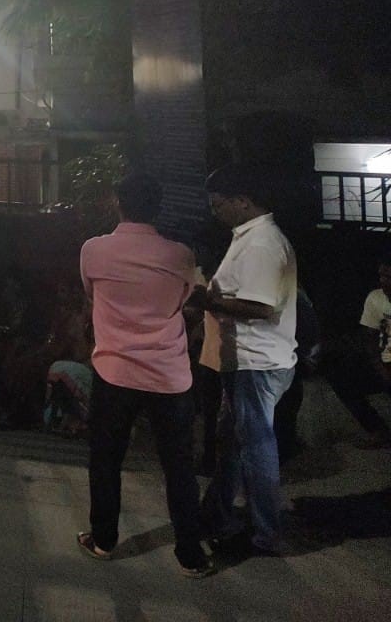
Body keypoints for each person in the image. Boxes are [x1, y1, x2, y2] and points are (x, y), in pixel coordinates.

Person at [73, 174, 213, 577]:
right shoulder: (180, 256)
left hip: (114, 371)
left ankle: (104, 539)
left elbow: (91, 294)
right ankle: (190, 554)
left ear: (118, 201)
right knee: (179, 466)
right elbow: (188, 298)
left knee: (105, 460)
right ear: (159, 206)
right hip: (169, 376)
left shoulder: (94, 251)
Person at [194, 164, 299, 557]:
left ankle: (264, 533)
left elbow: (258, 305)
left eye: (220, 205)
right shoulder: (251, 238)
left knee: (256, 449)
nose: (215, 212)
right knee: (235, 445)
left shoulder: (262, 244)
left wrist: (210, 300)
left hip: (258, 362)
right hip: (247, 361)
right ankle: (216, 514)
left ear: (243, 201)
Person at [323, 253, 391, 449]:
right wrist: (381, 368)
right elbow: (370, 340)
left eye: (389, 277)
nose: (384, 282)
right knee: (340, 374)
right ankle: (377, 430)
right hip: (385, 363)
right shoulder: (375, 298)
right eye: (382, 276)